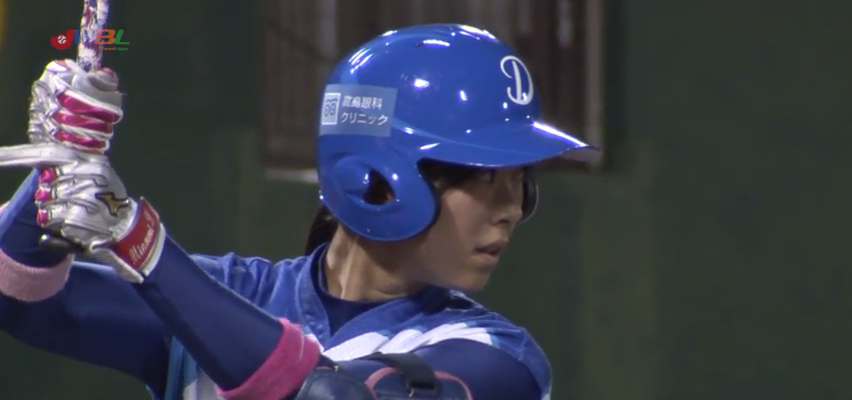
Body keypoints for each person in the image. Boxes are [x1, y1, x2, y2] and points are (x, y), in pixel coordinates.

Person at [0, 24, 598, 400]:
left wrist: (141, 243)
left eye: (521, 182)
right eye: (487, 180)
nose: (513, 210)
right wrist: (62, 159)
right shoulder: (223, 295)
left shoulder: (498, 358)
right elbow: (18, 298)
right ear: (379, 179)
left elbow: (331, 395)